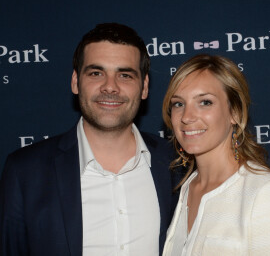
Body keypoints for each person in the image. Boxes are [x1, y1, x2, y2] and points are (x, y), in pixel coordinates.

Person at [0, 23, 179, 256]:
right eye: (96, 73)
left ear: (144, 87)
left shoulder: (177, 162)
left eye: (125, 75)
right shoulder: (25, 171)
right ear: (75, 82)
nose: (110, 87)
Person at [162, 54, 270, 255]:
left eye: (205, 102)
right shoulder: (187, 189)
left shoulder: (266, 193)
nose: (187, 117)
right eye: (178, 104)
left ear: (235, 112)